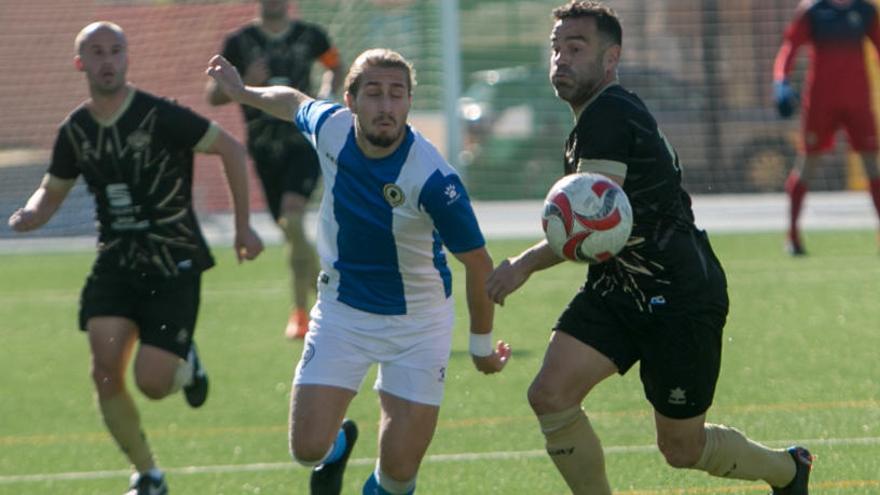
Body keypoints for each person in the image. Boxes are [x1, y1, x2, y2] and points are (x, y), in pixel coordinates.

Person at [486, 2, 813, 494]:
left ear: (611, 58)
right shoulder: (599, 114)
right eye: (556, 48)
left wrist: (523, 265)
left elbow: (592, 223)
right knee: (550, 394)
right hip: (618, 289)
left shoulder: (610, 114)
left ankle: (789, 470)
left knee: (681, 449)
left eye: (576, 48)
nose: (561, 59)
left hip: (679, 296)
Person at [206, 47, 512, 494]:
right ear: (349, 100)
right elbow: (292, 102)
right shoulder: (330, 128)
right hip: (343, 311)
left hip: (418, 324)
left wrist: (481, 346)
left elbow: (478, 263)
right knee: (306, 448)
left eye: (397, 95)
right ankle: (334, 452)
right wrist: (242, 92)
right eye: (373, 94)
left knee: (398, 475)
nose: (386, 107)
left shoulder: (433, 179)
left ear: (409, 102)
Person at [7, 22, 264, 495]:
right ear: (80, 63)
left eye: (115, 51)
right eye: (97, 53)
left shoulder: (159, 115)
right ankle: (149, 475)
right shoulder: (77, 130)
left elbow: (229, 147)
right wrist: (32, 214)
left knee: (151, 382)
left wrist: (245, 226)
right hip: (117, 261)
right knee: (104, 369)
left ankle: (187, 363)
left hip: (174, 260)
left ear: (127, 58)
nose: (107, 60)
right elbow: (53, 187)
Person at [206, 0, 344, 338]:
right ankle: (326, 297)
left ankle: (302, 313)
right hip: (264, 151)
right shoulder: (239, 42)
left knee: (293, 217)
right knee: (289, 229)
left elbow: (336, 65)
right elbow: (213, 95)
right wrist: (243, 84)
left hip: (303, 143)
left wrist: (326, 94)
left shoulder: (310, 36)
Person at [773, 0, 880, 255]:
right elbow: (790, 47)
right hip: (821, 103)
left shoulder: (865, 11)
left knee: (872, 167)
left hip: (858, 102)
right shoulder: (812, 11)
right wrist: (781, 82)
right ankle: (793, 235)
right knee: (807, 165)